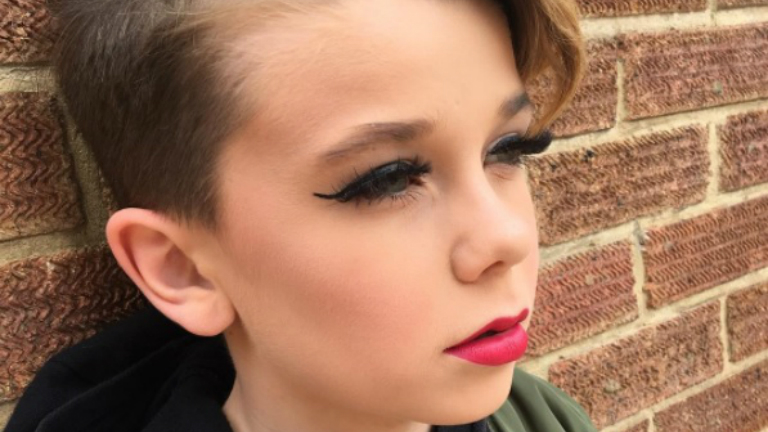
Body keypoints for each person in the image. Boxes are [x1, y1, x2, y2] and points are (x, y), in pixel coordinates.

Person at [5, 0, 595, 431]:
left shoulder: (544, 417)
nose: (507, 236)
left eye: (509, 149)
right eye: (387, 180)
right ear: (185, 268)